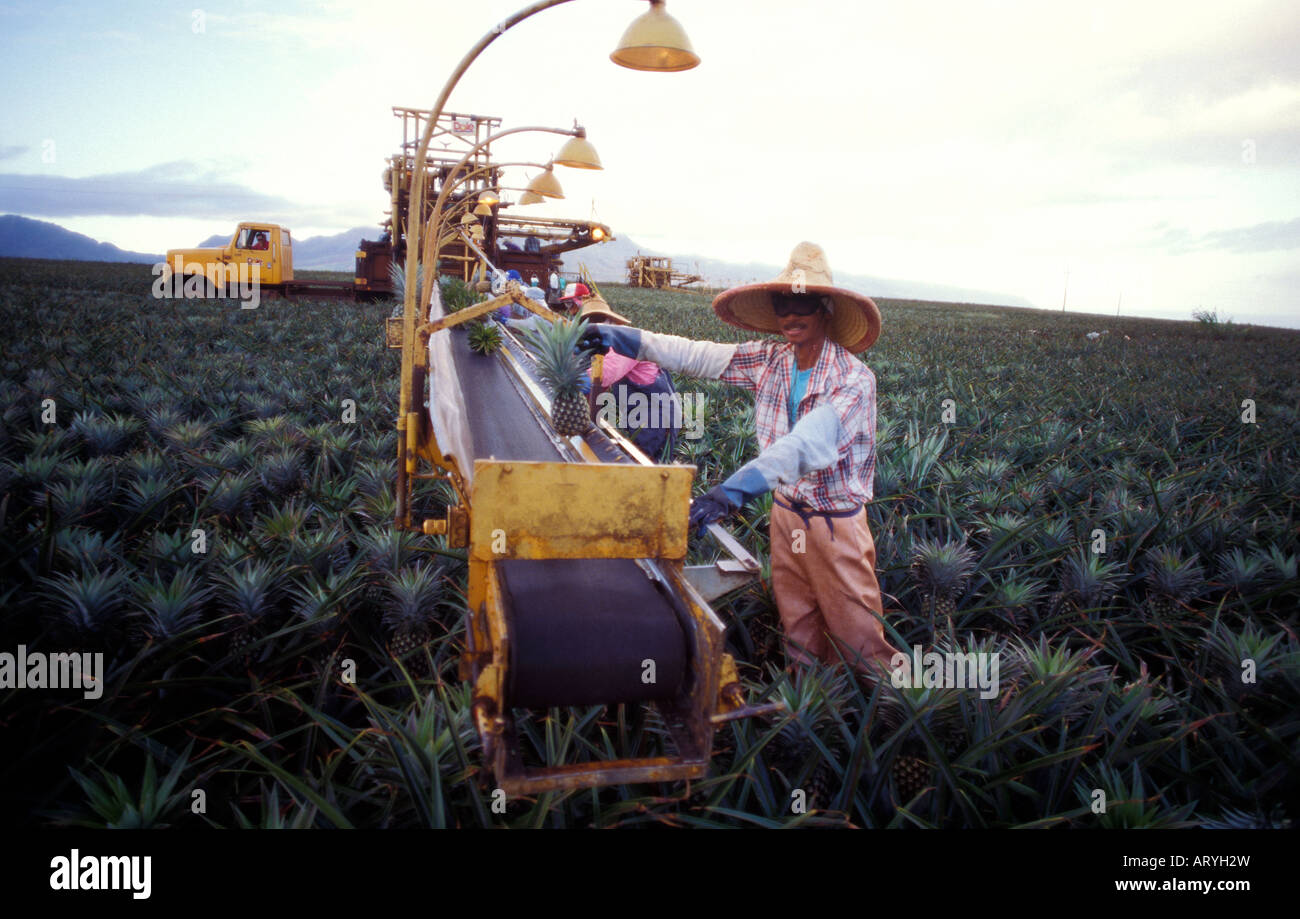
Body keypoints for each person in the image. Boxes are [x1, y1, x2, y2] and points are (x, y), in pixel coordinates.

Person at [579, 241, 904, 680]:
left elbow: (805, 444)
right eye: (782, 303)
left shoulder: (853, 380)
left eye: (802, 302)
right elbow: (697, 354)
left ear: (826, 307)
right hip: (786, 514)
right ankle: (811, 709)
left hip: (834, 526)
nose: (791, 314)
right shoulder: (771, 360)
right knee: (799, 625)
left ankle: (884, 718)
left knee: (858, 635)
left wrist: (733, 491)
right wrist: (626, 339)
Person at [579, 295, 680, 461]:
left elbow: (603, 375)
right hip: (641, 415)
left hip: (657, 420)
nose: (594, 327)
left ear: (611, 322)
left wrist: (570, 385)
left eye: (598, 321)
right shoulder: (607, 347)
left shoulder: (626, 345)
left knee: (647, 465)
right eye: (589, 323)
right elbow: (599, 386)